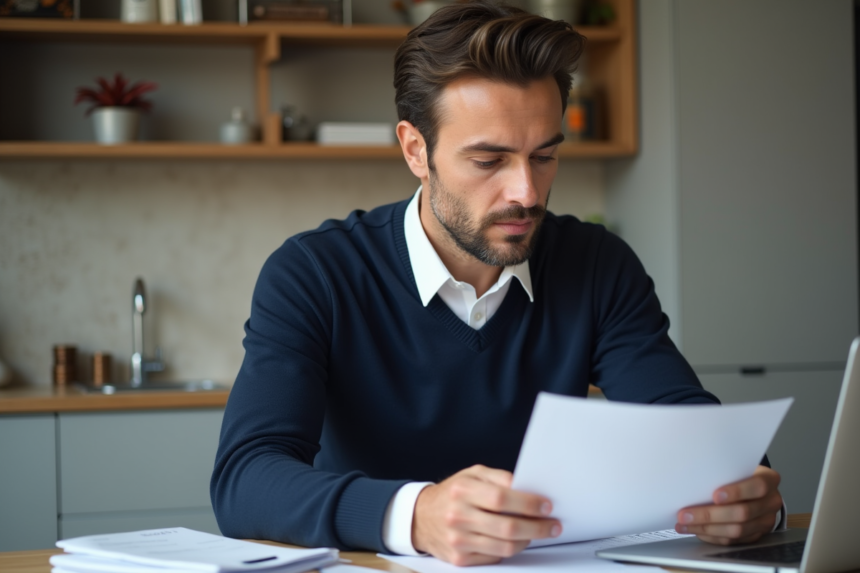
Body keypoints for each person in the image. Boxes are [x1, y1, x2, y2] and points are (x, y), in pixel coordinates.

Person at [211, 1, 784, 566]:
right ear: (416, 150)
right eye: (489, 160)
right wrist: (417, 515)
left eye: (545, 156)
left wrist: (751, 501)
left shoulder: (597, 265)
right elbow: (246, 478)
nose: (527, 193)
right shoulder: (315, 273)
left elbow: (694, 435)